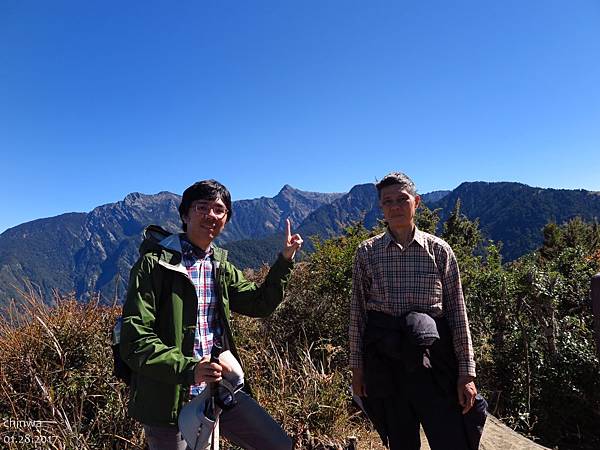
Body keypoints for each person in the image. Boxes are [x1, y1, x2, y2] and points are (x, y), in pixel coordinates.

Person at [120, 179, 302, 450]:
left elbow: (259, 303)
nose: (211, 215)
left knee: (278, 444)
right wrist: (189, 368)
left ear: (226, 219)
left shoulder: (220, 266)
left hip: (219, 390)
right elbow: (135, 338)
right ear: (185, 214)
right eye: (202, 207)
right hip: (168, 398)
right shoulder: (154, 265)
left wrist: (284, 261)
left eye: (219, 210)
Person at [350, 172, 483, 450]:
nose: (396, 206)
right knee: (400, 442)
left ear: (417, 202)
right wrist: (358, 369)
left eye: (402, 199)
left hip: (433, 361)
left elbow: (458, 313)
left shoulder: (439, 251)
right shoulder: (367, 253)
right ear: (381, 207)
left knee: (450, 439)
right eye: (388, 201)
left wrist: (467, 373)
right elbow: (358, 314)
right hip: (386, 364)